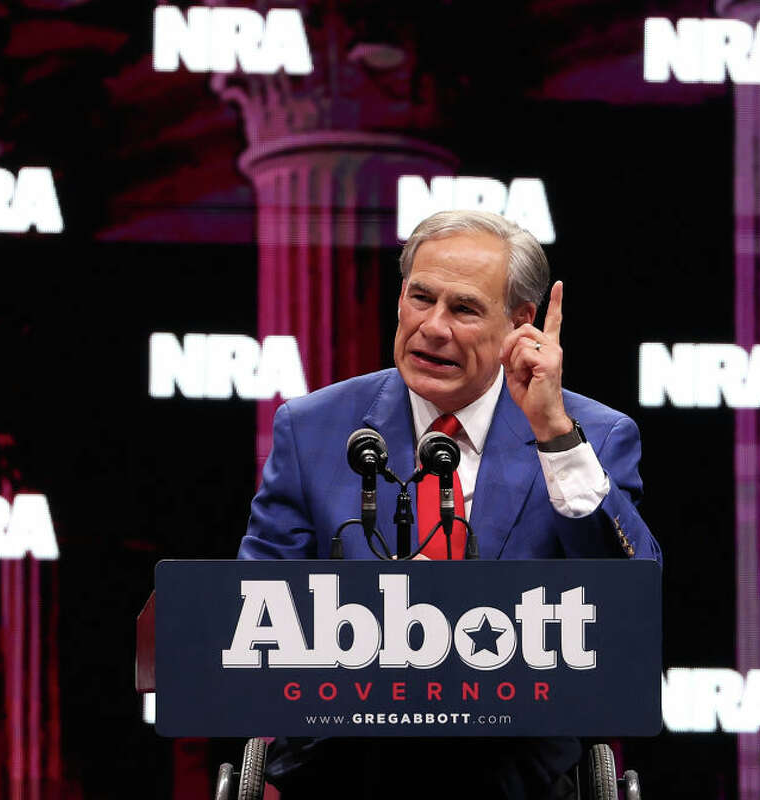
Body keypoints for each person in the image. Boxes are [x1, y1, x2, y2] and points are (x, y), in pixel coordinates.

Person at [238, 210, 661, 798]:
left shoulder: (589, 435)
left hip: (515, 772)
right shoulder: (312, 429)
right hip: (342, 766)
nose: (432, 327)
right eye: (420, 298)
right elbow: (253, 605)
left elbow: (629, 603)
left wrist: (554, 436)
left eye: (463, 308)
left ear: (521, 324)